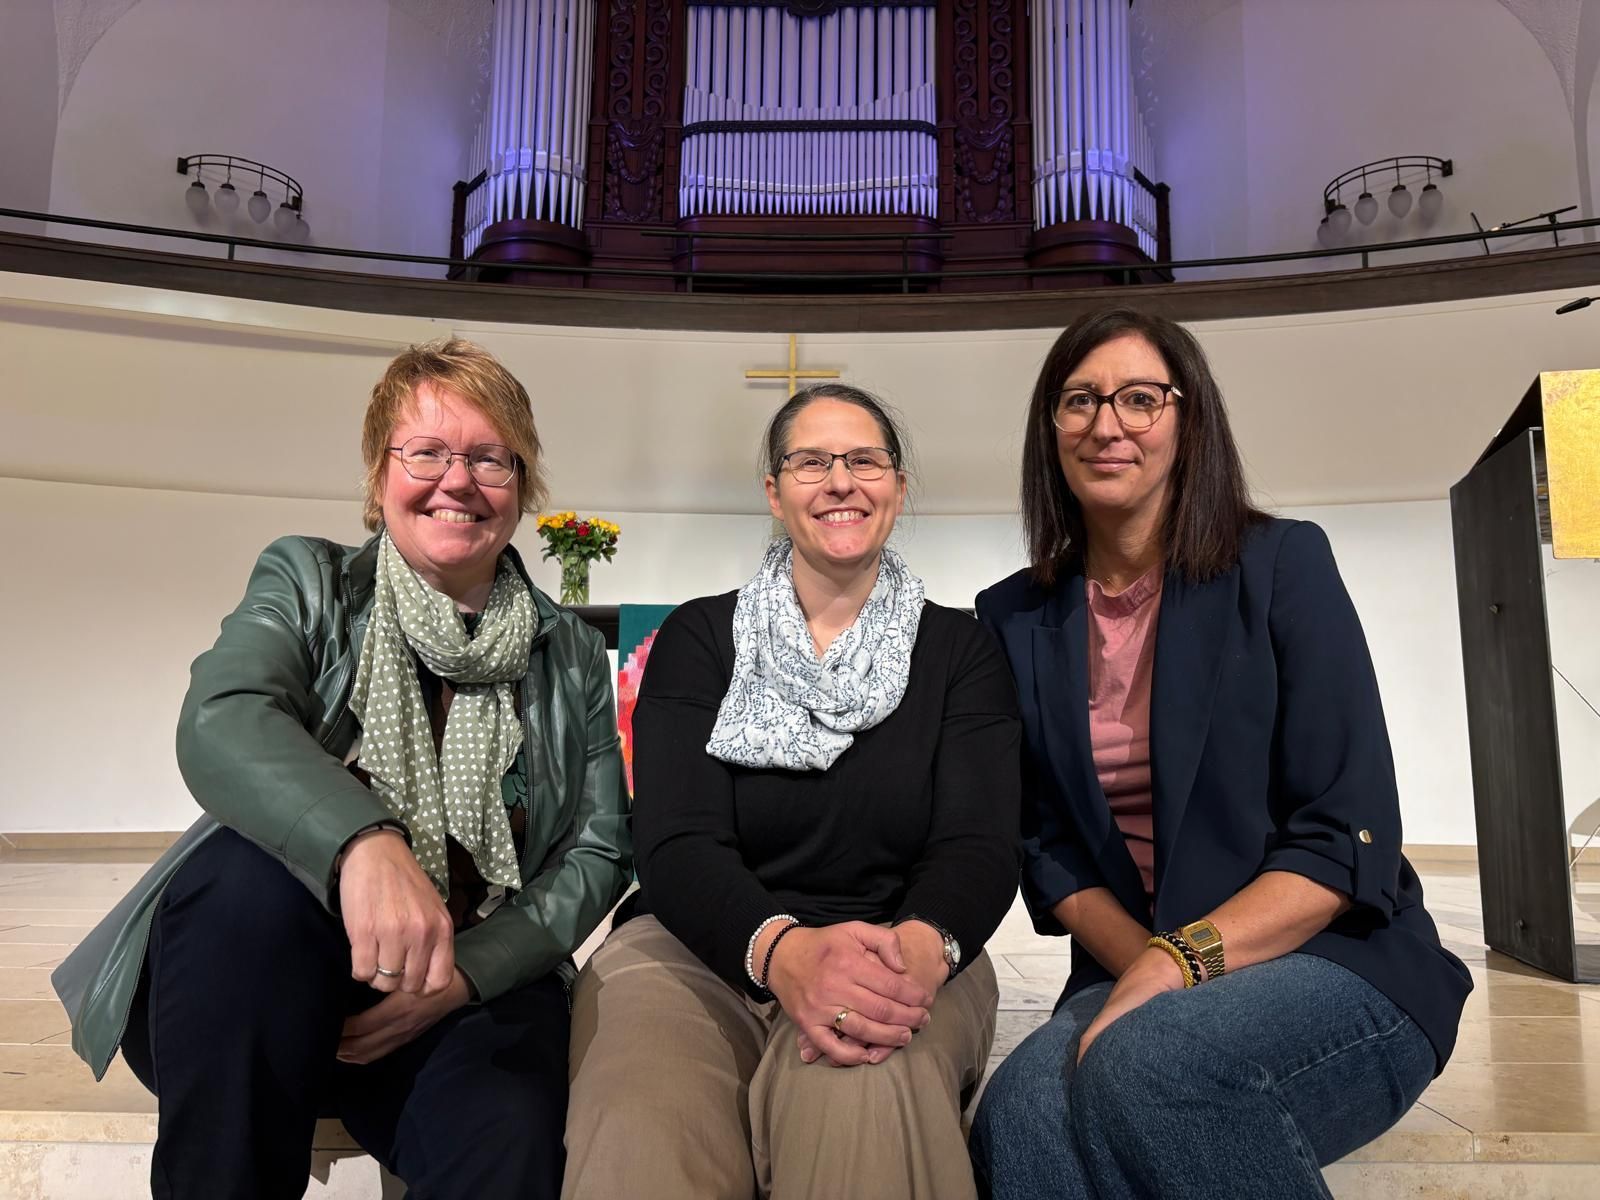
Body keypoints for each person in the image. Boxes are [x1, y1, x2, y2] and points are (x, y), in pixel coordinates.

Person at [52, 337, 633, 1200]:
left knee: (511, 1138)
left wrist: (468, 973)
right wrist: (362, 843)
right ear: (378, 474)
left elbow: (597, 848)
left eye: (490, 458)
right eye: (426, 452)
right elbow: (224, 715)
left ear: (522, 483)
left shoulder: (571, 652)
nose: (458, 480)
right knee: (242, 886)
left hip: (462, 992)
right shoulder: (309, 580)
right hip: (265, 982)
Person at [968, 308, 1472, 1199]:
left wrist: (1181, 963)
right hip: (1134, 959)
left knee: (1157, 1066)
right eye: (1080, 400)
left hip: (1335, 959)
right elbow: (1046, 847)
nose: (1107, 424)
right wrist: (1148, 964)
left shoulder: (1280, 563)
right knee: (1019, 1115)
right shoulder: (1013, 615)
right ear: (1051, 428)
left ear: (1187, 418)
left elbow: (1342, 833)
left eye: (1139, 398)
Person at [562, 383, 1022, 1200]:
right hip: (695, 946)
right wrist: (782, 954)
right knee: (644, 1117)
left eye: (864, 460)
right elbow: (676, 841)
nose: (840, 480)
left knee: (865, 1096)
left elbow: (978, 844)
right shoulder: (700, 639)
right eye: (811, 462)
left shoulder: (962, 651)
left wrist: (916, 956)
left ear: (898, 487)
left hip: (903, 942)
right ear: (775, 493)